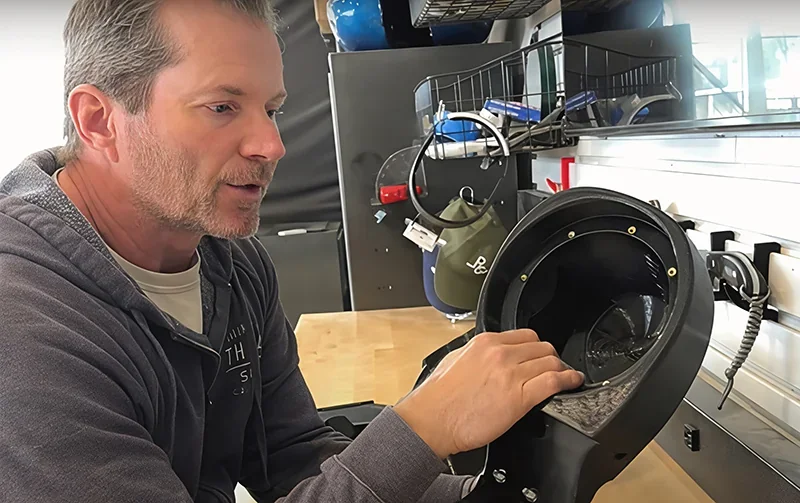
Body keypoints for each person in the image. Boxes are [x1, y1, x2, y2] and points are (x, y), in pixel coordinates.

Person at [0, 1, 584, 501]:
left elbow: (293, 456)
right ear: (99, 120)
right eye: (222, 107)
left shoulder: (233, 263)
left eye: (272, 109)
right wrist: (422, 426)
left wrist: (497, 492)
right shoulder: (23, 325)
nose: (271, 144)